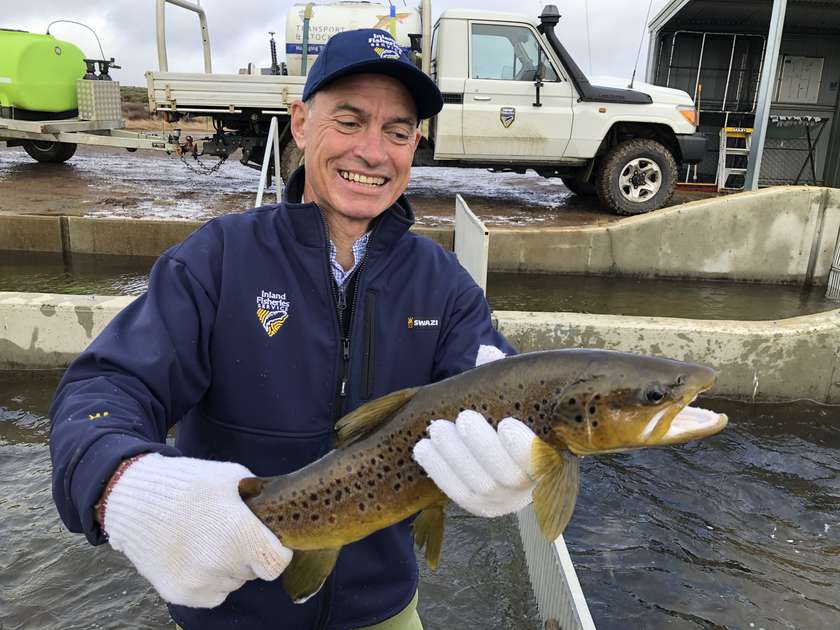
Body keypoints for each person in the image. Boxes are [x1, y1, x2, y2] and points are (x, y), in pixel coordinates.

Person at [49, 29, 538, 630]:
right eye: (350, 122)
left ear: (416, 144)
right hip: (230, 613)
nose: (373, 152)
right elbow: (105, 389)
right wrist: (121, 482)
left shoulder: (444, 284)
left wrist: (520, 447)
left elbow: (491, 375)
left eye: (397, 131)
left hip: (382, 610)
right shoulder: (217, 260)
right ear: (301, 124)